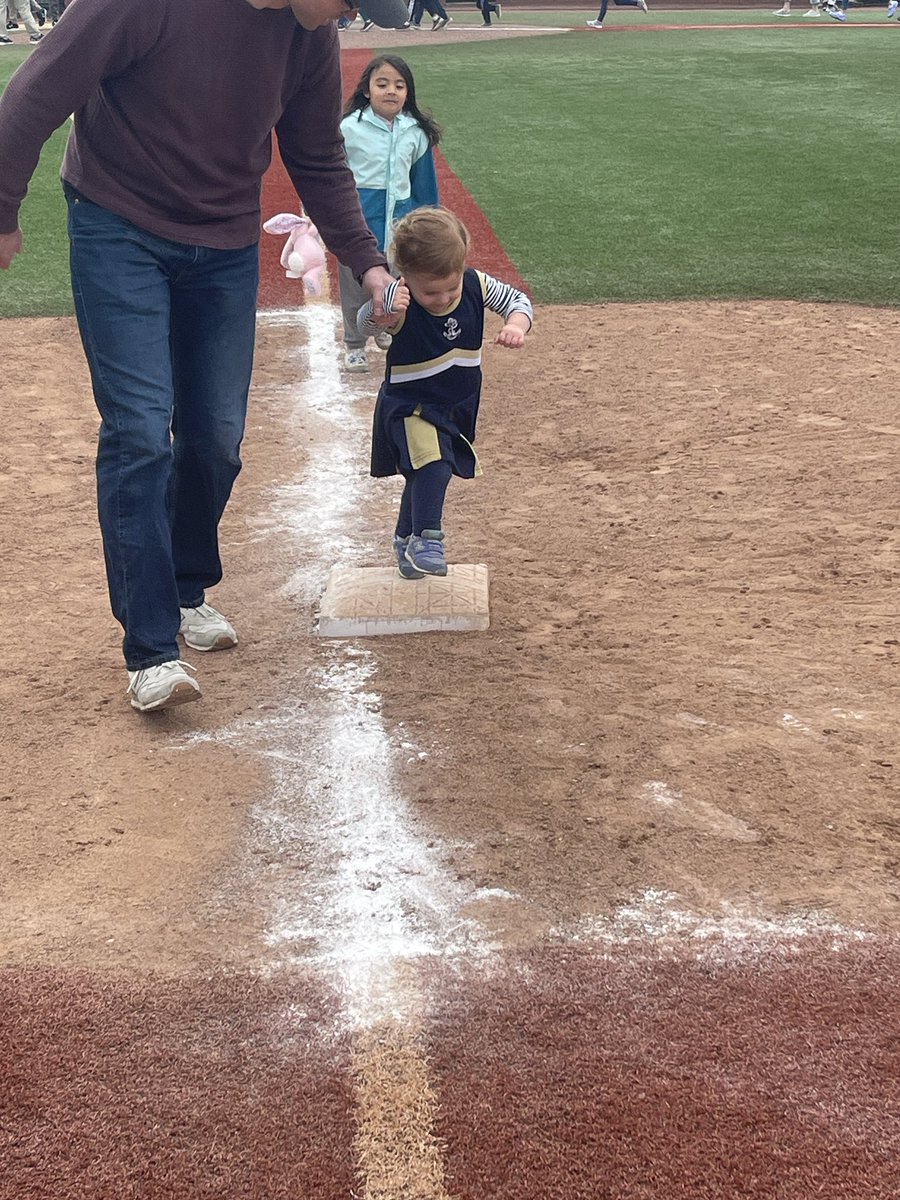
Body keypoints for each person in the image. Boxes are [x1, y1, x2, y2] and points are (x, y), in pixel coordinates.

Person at [0, 0, 406, 713]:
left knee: (216, 437)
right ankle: (150, 648)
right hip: (117, 221)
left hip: (223, 238)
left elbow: (315, 154)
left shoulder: (308, 32)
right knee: (137, 429)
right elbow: (35, 94)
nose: (348, 11)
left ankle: (186, 589)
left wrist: (368, 263)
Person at [358, 207, 533, 578]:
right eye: (430, 291)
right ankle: (428, 538)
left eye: (450, 288)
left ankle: (405, 541)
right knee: (434, 465)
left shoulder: (474, 283)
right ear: (405, 277)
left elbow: (517, 300)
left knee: (423, 472)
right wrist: (383, 314)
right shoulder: (397, 298)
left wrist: (517, 325)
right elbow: (367, 320)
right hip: (409, 407)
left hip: (454, 405)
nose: (442, 298)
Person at [338, 54, 441, 373]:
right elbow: (335, 177)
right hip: (359, 224)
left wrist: (429, 224)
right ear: (367, 90)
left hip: (399, 226)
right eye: (382, 84)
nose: (391, 91)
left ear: (408, 93)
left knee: (397, 284)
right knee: (356, 286)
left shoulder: (415, 133)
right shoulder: (349, 129)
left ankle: (383, 327)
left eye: (399, 85)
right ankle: (355, 343)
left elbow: (424, 185)